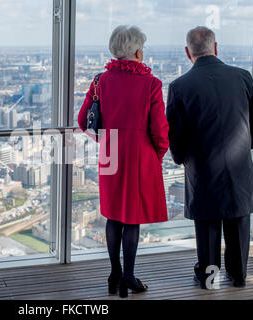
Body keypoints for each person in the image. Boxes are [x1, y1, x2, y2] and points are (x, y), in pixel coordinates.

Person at [166, 26, 253, 289]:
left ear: (188, 52)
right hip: (239, 167)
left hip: (202, 169)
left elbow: (175, 133)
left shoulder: (179, 87)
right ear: (216, 47)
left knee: (208, 227)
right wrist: (246, 145)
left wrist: (182, 158)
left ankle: (209, 279)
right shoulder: (242, 77)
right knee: (238, 222)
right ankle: (239, 276)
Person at [78, 25, 169, 298]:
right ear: (138, 52)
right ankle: (129, 276)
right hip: (140, 155)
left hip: (111, 151)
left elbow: (84, 121)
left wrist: (105, 142)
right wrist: (158, 154)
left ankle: (114, 274)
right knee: (132, 218)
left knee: (113, 214)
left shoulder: (99, 81)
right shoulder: (151, 84)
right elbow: (160, 130)